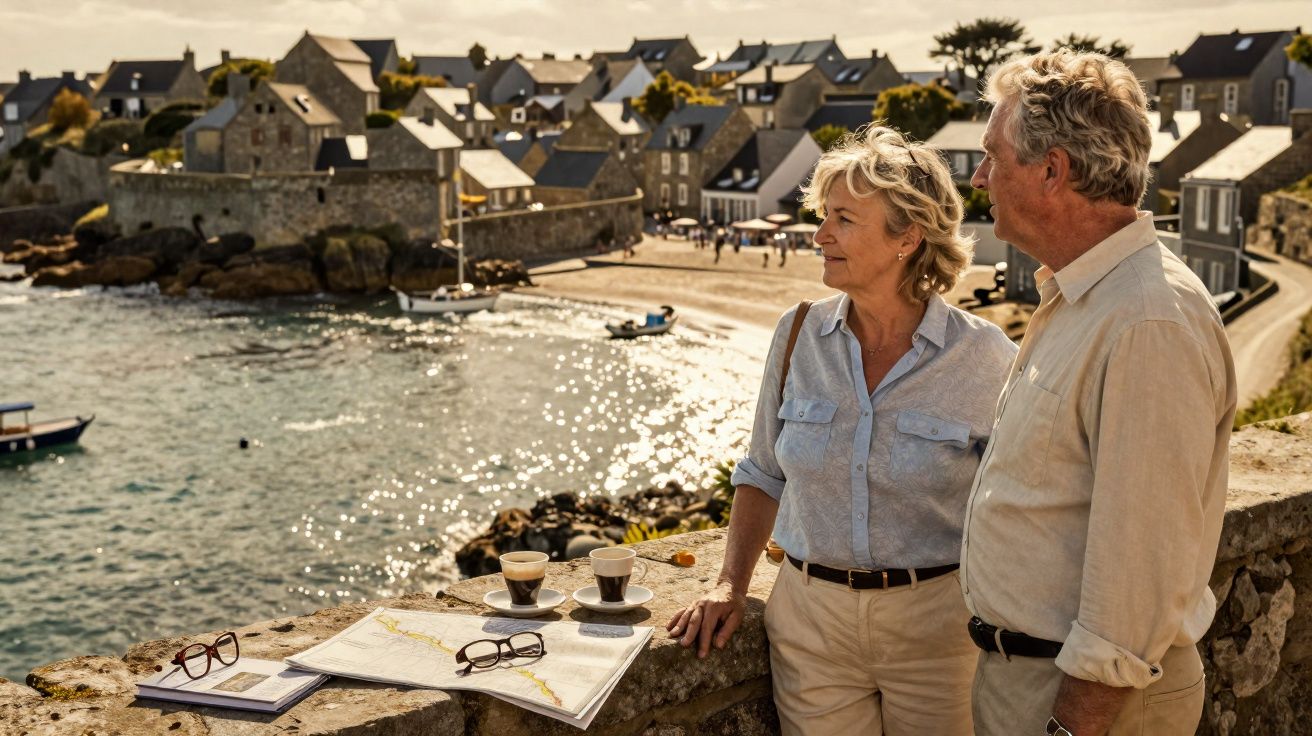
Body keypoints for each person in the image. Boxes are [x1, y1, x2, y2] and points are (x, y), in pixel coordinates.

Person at [667, 125, 1017, 735]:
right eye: (824, 215)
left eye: (844, 220)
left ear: (908, 236)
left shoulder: (985, 358)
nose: (820, 234)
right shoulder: (796, 334)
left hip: (938, 632)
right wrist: (729, 583)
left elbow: (1016, 507)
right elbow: (761, 473)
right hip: (810, 627)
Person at [958, 50, 1236, 736]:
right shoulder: (1090, 296)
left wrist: (1070, 727)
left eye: (994, 155)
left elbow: (1139, 572)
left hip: (1086, 706)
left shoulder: (1146, 322)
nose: (979, 175)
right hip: (1035, 683)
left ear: (1052, 170)